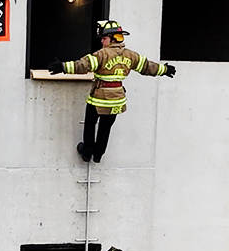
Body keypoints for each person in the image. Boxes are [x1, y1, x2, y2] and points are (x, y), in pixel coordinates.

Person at [56, 19, 175, 162]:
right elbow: (147, 67)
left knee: (90, 124)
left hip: (99, 98)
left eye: (104, 38)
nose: (102, 41)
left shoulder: (101, 54)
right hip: (117, 99)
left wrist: (63, 67)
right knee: (105, 128)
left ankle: (87, 152)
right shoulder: (131, 55)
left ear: (112, 38)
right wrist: (164, 69)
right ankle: (98, 155)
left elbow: (83, 65)